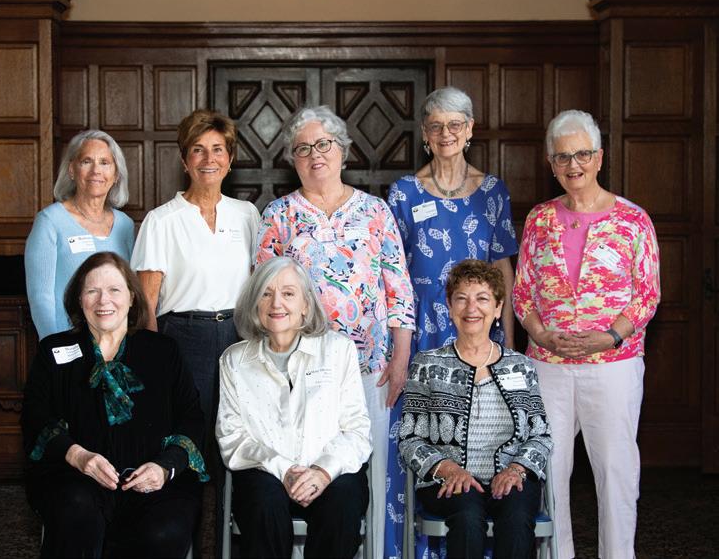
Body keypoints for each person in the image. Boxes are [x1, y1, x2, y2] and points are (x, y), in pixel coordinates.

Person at [255, 105, 415, 559]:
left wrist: (400, 358)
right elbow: (263, 292)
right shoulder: (279, 214)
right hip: (298, 369)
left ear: (343, 150)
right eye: (303, 148)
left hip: (370, 367)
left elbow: (398, 289)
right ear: (293, 159)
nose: (315, 155)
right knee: (304, 464)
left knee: (368, 467)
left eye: (324, 144)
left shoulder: (375, 211)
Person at [513, 109, 660, 559]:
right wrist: (540, 334)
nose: (572, 165)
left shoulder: (633, 220)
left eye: (581, 154)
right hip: (548, 365)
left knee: (615, 471)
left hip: (613, 364)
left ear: (599, 157)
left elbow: (647, 294)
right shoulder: (539, 219)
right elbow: (522, 293)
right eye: (562, 157)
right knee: (548, 470)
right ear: (551, 164)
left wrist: (610, 336)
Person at [130, 109, 259, 557]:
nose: (209, 159)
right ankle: (183, 547)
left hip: (240, 338)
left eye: (217, 150)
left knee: (237, 449)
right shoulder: (161, 220)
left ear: (230, 158)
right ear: (185, 160)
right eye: (198, 150)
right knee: (187, 447)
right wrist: (155, 363)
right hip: (183, 339)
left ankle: (228, 548)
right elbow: (146, 305)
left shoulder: (247, 214)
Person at [21, 252, 208, 558]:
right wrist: (78, 456)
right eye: (92, 291)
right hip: (76, 477)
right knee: (77, 513)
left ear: (132, 298)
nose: (103, 300)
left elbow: (191, 418)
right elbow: (35, 417)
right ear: (79, 299)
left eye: (114, 290)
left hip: (153, 481)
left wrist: (165, 467)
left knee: (165, 532)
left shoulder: (163, 351)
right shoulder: (53, 350)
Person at [217, 256, 372, 558]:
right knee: (263, 505)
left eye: (288, 293)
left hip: (330, 472)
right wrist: (284, 469)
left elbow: (356, 430)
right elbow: (231, 437)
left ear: (306, 305)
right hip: (266, 473)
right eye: (266, 293)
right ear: (255, 304)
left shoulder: (338, 350)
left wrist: (323, 471)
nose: (276, 303)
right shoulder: (234, 360)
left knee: (341, 506)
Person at [400, 259, 552, 559]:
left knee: (516, 517)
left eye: (482, 299)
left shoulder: (521, 366)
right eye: (462, 298)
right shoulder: (426, 364)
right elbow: (409, 437)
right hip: (447, 479)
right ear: (449, 307)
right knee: (468, 517)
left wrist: (516, 469)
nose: (472, 308)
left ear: (498, 308)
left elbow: (540, 435)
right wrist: (448, 468)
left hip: (512, 477)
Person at [388, 86, 518, 354]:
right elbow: (391, 271)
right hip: (421, 323)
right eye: (436, 126)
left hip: (477, 319)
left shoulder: (492, 191)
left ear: (469, 128)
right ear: (425, 133)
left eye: (455, 125)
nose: (445, 133)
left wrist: (509, 339)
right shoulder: (404, 193)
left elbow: (502, 267)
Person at [25, 130, 134, 340]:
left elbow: (130, 291)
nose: (96, 170)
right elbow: (41, 298)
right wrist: (55, 347)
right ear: (72, 170)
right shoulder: (50, 221)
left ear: (116, 175)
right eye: (86, 161)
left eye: (105, 162)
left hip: (116, 344)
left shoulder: (125, 225)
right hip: (68, 342)